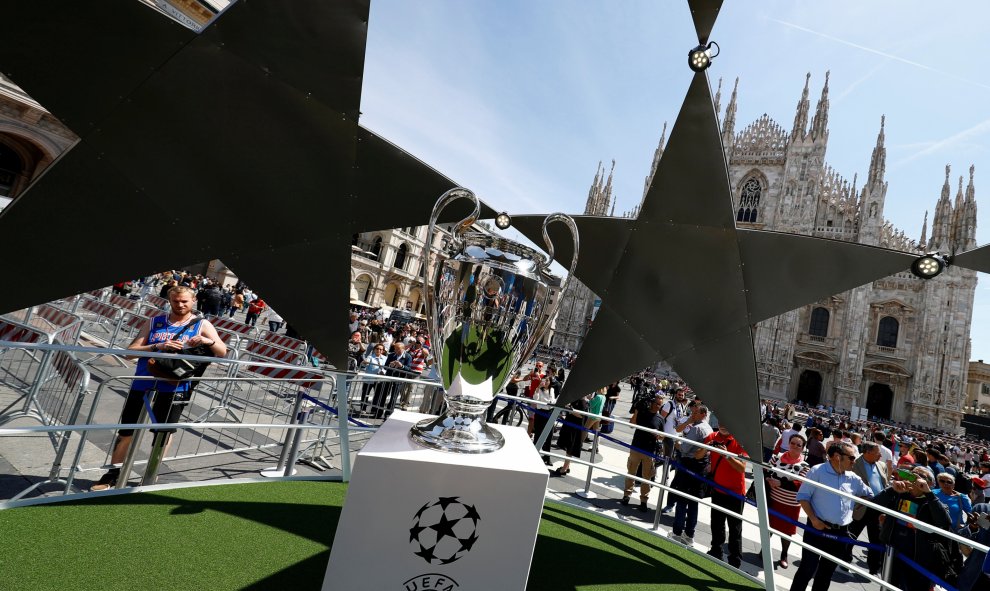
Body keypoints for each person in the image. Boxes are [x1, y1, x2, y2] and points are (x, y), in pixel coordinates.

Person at [90, 286, 227, 491]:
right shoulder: (154, 322)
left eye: (184, 301)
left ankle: (150, 473)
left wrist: (208, 340)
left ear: (193, 301)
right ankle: (113, 473)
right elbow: (130, 353)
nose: (180, 305)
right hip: (143, 381)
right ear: (169, 301)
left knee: (163, 432)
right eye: (176, 301)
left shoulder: (201, 324)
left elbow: (222, 352)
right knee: (127, 430)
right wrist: (158, 347)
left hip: (174, 386)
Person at [788, 442, 874, 591]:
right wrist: (814, 520)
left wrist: (853, 508)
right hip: (817, 528)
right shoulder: (817, 471)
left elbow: (869, 494)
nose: (854, 461)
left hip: (840, 533)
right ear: (836, 456)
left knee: (826, 574)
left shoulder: (853, 477)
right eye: (852, 458)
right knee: (807, 569)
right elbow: (803, 496)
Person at [874, 466, 954, 591]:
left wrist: (929, 493)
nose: (914, 479)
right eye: (912, 475)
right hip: (892, 552)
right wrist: (891, 490)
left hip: (918, 558)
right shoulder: (898, 494)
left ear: (929, 483)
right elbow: (874, 505)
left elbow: (944, 522)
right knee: (888, 587)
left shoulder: (932, 502)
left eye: (919, 476)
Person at [704, 424, 750, 568]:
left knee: (735, 528)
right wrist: (706, 447)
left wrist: (726, 455)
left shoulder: (741, 441)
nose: (723, 425)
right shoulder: (712, 436)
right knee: (716, 523)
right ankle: (716, 550)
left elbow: (742, 468)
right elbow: (697, 455)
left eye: (726, 422)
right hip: (718, 489)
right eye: (720, 421)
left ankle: (735, 559)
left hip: (736, 493)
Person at [668, 403, 713, 546]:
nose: (692, 415)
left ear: (703, 414)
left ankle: (676, 533)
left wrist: (677, 444)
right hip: (701, 468)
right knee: (693, 503)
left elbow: (685, 449)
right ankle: (689, 535)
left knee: (682, 500)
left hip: (689, 466)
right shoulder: (709, 428)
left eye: (695, 413)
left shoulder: (697, 428)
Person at [767, 433, 811, 569]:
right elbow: (766, 471)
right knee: (768, 527)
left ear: (803, 448)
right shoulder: (776, 457)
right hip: (773, 499)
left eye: (799, 445)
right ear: (788, 443)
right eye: (793, 443)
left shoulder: (805, 466)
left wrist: (780, 483)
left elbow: (799, 484)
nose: (795, 446)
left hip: (790, 504)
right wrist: (769, 479)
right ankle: (765, 550)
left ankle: (784, 554)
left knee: (786, 532)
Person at [848, 441, 889, 575]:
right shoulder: (854, 464)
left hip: (878, 508)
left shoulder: (881, 465)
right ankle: (844, 559)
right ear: (867, 452)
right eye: (877, 453)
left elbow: (884, 484)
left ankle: (873, 567)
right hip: (861, 507)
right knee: (852, 533)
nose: (880, 455)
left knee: (876, 539)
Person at [621, 394, 664, 513]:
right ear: (652, 403)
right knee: (631, 472)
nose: (658, 406)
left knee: (647, 477)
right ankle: (626, 495)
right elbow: (631, 424)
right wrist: (636, 410)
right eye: (657, 403)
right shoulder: (643, 412)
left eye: (660, 404)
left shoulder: (660, 418)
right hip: (636, 447)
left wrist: (658, 435)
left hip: (649, 451)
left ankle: (644, 501)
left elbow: (663, 436)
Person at [553, 393, 589, 477]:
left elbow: (581, 415)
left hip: (574, 428)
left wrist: (570, 410)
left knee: (570, 448)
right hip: (571, 426)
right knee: (569, 448)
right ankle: (567, 467)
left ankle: (564, 469)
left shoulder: (582, 401)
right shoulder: (578, 399)